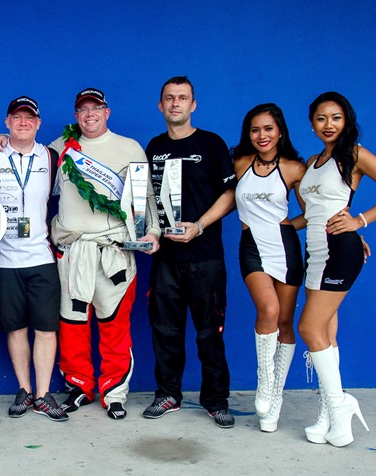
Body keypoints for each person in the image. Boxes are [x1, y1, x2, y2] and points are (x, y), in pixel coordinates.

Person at [297, 92, 376, 447]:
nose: (328, 125)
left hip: (338, 250)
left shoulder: (354, 155)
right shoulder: (314, 161)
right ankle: (331, 415)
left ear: (346, 120)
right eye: (320, 118)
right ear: (312, 123)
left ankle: (340, 404)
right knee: (327, 332)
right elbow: (312, 212)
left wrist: (359, 222)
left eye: (335, 118)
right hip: (315, 251)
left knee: (309, 328)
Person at [48, 88, 160, 420]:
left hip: (113, 252)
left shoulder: (129, 148)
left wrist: (151, 230)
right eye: (82, 109)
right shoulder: (60, 148)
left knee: (114, 324)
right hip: (72, 252)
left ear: (107, 112)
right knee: (72, 324)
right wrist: (0, 139)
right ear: (75, 115)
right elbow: (25, 157)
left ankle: (114, 392)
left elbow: (144, 197)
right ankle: (79, 386)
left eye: (95, 107)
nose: (89, 113)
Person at [143, 76, 236, 428]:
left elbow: (230, 196)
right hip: (165, 259)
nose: (175, 104)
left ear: (193, 105)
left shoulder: (211, 144)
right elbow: (144, 199)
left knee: (209, 332)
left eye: (182, 98)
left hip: (206, 257)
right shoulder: (153, 147)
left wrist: (199, 225)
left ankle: (215, 399)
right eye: (169, 98)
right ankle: (168, 394)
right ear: (160, 105)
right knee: (165, 331)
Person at [0, 97, 68, 422]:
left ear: (38, 123)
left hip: (41, 257)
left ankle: (42, 394)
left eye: (30, 118)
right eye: (17, 117)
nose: (23, 122)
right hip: (1, 261)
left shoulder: (52, 157)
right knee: (16, 329)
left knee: (46, 329)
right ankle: (25, 390)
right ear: (7, 122)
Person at [232, 104, 306, 432]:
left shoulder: (294, 168)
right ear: (249, 134)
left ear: (280, 132)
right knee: (269, 309)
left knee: (286, 321)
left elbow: (316, 212)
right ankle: (265, 382)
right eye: (255, 129)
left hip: (285, 247)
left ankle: (276, 396)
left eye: (268, 129)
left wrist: (351, 233)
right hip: (252, 247)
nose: (262, 135)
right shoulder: (239, 164)